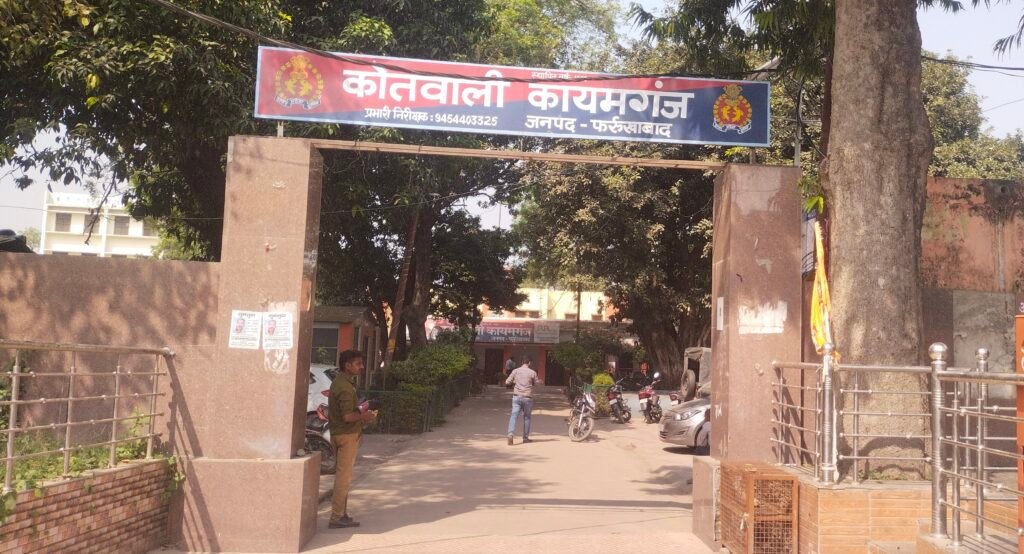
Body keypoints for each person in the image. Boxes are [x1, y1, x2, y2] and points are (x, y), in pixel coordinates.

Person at [327, 350, 375, 529]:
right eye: (358, 364)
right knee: (343, 478)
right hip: (346, 435)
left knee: (343, 477)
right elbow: (347, 417)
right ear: (347, 365)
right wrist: (365, 417)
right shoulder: (345, 387)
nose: (361, 367)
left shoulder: (341, 382)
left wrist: (361, 411)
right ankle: (336, 517)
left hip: (339, 433)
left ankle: (341, 513)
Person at [505, 356, 541, 445]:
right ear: (529, 363)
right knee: (527, 417)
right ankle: (525, 438)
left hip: (516, 396)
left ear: (522, 362)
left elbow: (507, 382)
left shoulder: (515, 371)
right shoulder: (532, 372)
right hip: (527, 397)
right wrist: (540, 381)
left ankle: (510, 434)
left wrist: (514, 381)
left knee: (514, 415)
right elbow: (537, 384)